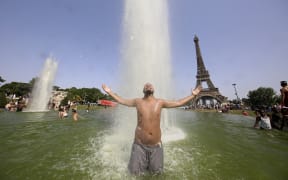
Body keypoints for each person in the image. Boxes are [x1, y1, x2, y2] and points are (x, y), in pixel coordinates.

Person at [102, 83, 202, 175]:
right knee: (134, 173)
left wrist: (193, 95)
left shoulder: (160, 102)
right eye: (146, 85)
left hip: (156, 146)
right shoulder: (138, 101)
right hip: (139, 145)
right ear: (143, 90)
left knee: (157, 174)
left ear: (154, 90)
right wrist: (110, 92)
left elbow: (179, 102)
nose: (148, 86)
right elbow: (122, 101)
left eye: (150, 85)